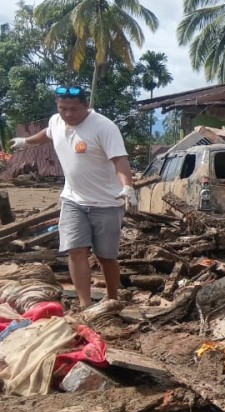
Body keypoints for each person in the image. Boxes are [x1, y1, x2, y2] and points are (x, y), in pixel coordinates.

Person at [10, 86, 137, 309]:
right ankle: (85, 304)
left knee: (105, 256)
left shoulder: (104, 126)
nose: (68, 114)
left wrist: (128, 187)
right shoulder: (56, 121)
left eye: (74, 109)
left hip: (107, 202)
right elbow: (47, 133)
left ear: (86, 106)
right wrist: (26, 142)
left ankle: (112, 298)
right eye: (63, 109)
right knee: (76, 250)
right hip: (73, 200)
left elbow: (120, 159)